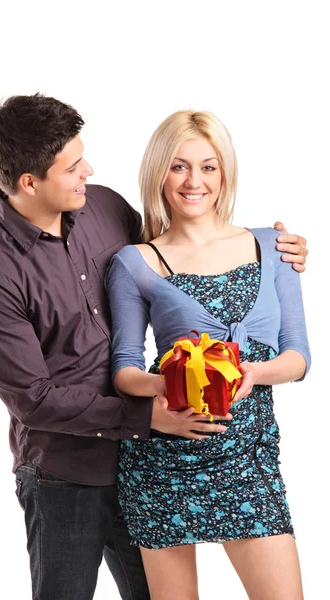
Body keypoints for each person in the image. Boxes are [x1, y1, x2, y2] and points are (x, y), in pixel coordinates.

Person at [0, 94, 308, 600]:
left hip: (152, 451)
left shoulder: (101, 206)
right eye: (74, 166)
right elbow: (32, 398)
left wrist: (282, 256)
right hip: (68, 468)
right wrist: (151, 415)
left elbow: (175, 262)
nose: (89, 171)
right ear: (30, 182)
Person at [105, 110, 310, 600]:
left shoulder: (272, 246)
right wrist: (171, 384)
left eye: (208, 167)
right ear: (159, 173)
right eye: (178, 166)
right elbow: (125, 370)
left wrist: (251, 374)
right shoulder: (135, 261)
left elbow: (298, 357)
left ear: (225, 174)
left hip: (250, 460)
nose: (193, 181)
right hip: (164, 457)